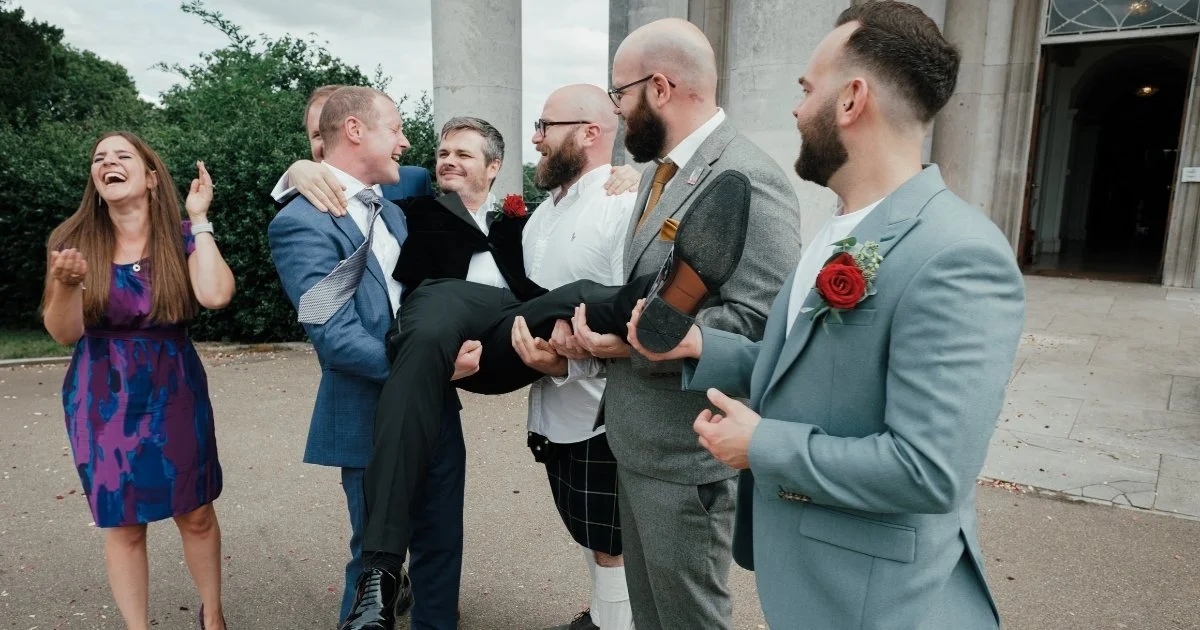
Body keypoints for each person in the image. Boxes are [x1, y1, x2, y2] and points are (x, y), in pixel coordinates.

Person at [627, 3, 1025, 628]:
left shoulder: (958, 254)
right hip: (818, 581)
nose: (796, 108)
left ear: (851, 100)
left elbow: (929, 471)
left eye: (808, 89)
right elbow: (814, 371)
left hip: (882, 601)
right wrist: (703, 349)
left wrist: (762, 446)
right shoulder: (838, 230)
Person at [558, 17, 803, 629]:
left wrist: (628, 346)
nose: (616, 110)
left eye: (620, 94)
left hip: (688, 455)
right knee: (652, 618)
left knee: (690, 620)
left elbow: (756, 325)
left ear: (660, 87)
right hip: (639, 442)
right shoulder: (655, 173)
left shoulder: (749, 177)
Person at [268, 87, 479, 630]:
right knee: (375, 562)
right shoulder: (300, 222)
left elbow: (468, 180)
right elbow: (333, 336)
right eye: (397, 129)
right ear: (357, 131)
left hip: (436, 410)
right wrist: (297, 174)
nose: (408, 143)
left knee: (441, 546)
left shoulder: (401, 189)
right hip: (368, 411)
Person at [42, 131, 235, 630]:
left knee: (195, 511)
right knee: (123, 523)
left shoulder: (180, 236)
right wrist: (65, 287)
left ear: (150, 178)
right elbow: (64, 333)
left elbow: (214, 295)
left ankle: (212, 618)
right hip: (101, 395)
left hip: (174, 387)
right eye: (99, 158)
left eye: (121, 155)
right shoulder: (71, 242)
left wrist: (199, 219)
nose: (108, 162)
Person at [508, 84, 637, 630]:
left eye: (545, 125)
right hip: (552, 407)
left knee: (612, 543)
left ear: (589, 133)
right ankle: (606, 617)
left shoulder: (623, 204)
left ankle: (615, 624)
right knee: (590, 533)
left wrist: (570, 362)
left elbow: (634, 316)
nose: (535, 139)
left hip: (603, 412)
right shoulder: (539, 218)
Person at [272, 84, 434, 213]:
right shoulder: (303, 188)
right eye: (318, 135)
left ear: (355, 130)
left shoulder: (414, 181)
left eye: (336, 132)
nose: (327, 143)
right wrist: (295, 171)